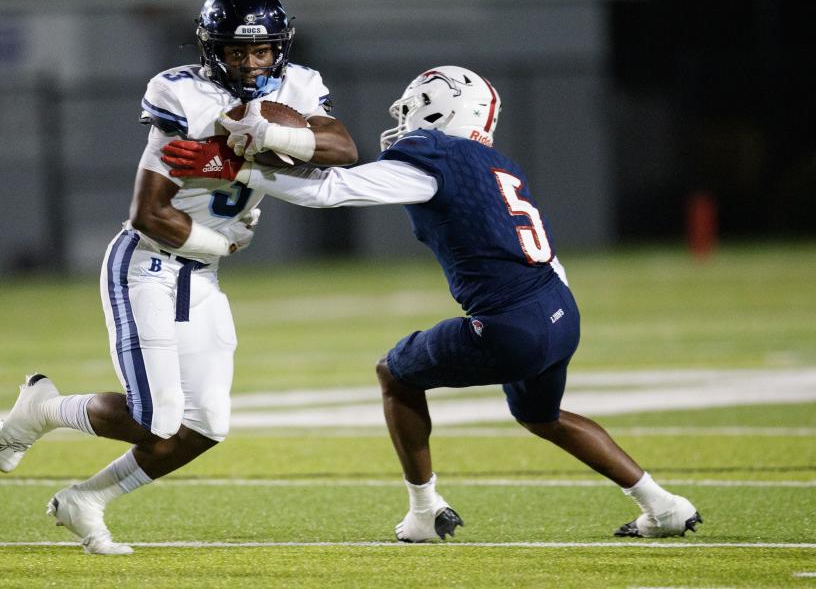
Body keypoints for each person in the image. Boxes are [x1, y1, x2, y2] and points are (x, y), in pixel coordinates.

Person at [160, 65, 703, 542]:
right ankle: (665, 506)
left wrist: (235, 168)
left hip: (512, 323)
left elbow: (329, 190)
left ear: (438, 109)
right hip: (560, 310)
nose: (402, 121)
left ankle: (423, 512)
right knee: (543, 416)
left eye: (411, 108)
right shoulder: (499, 166)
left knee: (394, 374)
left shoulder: (434, 156)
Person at [0, 0, 358, 555]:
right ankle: (45, 407)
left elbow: (343, 148)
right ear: (212, 49)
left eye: (260, 50)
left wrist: (263, 136)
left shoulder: (299, 85)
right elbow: (148, 214)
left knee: (206, 424)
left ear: (279, 47)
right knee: (156, 419)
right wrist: (224, 242)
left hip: (201, 277)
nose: (250, 63)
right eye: (236, 51)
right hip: (148, 265)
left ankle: (87, 499)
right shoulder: (181, 95)